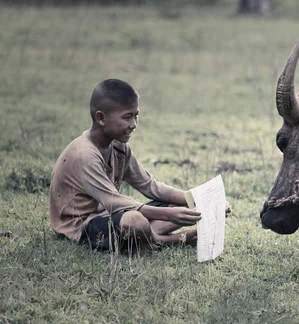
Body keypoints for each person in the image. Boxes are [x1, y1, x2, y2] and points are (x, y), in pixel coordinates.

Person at [49, 78, 226, 252]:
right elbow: (113, 202)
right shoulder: (85, 155)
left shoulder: (119, 147)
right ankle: (172, 240)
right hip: (84, 226)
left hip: (113, 217)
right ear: (101, 118)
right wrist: (169, 215)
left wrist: (207, 200)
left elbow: (150, 186)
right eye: (127, 117)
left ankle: (147, 237)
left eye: (136, 116)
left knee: (175, 205)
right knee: (136, 221)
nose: (133, 124)